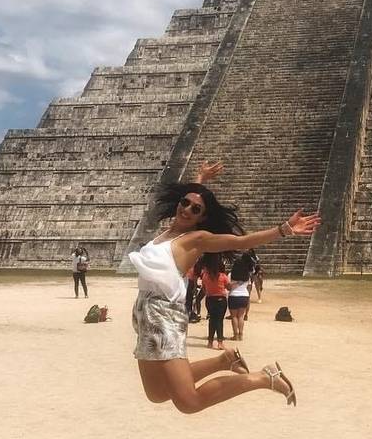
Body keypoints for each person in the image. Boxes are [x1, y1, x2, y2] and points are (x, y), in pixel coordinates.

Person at [127, 160, 319, 413]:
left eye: (196, 209)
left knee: (188, 402)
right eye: (185, 203)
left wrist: (283, 229)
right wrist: (200, 177)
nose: (187, 209)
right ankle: (225, 360)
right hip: (144, 316)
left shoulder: (195, 240)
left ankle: (264, 377)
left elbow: (243, 241)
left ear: (202, 217)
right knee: (157, 393)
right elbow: (193, 195)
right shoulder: (166, 233)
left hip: (164, 317)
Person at [201, 260, 230, 350]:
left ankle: (210, 341)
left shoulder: (205, 276)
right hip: (220, 299)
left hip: (210, 299)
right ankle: (220, 342)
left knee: (212, 320)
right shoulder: (223, 276)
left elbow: (204, 288)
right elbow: (228, 287)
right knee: (219, 320)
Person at [228, 251, 255, 340]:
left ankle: (235, 335)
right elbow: (249, 285)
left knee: (234, 316)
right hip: (244, 295)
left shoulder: (231, 275)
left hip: (233, 296)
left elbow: (228, 286)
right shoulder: (246, 275)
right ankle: (241, 334)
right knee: (241, 316)